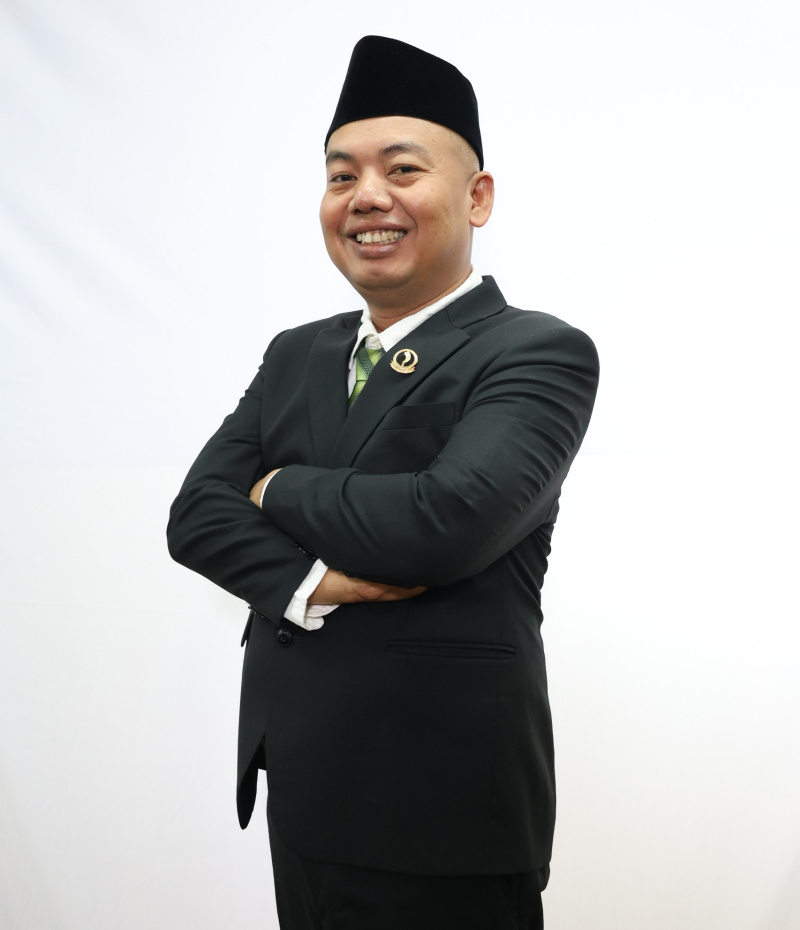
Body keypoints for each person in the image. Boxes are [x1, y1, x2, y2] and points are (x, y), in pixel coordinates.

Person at [167, 35, 599, 930]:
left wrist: (275, 487)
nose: (367, 197)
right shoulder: (297, 353)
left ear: (477, 197)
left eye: (403, 170)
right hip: (304, 791)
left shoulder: (534, 351)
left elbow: (444, 522)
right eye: (342, 176)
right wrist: (311, 580)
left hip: (445, 813)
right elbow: (196, 515)